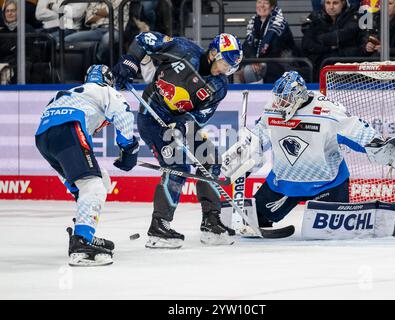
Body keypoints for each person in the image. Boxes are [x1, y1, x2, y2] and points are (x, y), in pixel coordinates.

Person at [222, 71, 395, 228]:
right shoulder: (273, 109)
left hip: (328, 184)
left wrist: (382, 148)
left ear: (299, 96)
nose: (280, 104)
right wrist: (247, 151)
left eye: (285, 99)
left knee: (332, 234)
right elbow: (260, 136)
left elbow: (357, 130)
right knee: (255, 220)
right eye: (278, 98)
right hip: (284, 183)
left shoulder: (327, 111)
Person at [112, 32, 243, 249]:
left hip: (181, 122)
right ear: (212, 53)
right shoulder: (182, 49)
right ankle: (159, 226)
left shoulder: (219, 86)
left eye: (230, 68)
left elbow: (201, 115)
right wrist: (130, 62)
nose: (226, 71)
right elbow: (144, 38)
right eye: (224, 64)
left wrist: (182, 124)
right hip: (152, 118)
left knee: (210, 159)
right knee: (176, 166)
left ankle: (211, 222)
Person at [34, 65, 139, 266]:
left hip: (44, 139)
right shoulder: (106, 91)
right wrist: (129, 152)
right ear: (109, 80)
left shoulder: (73, 92)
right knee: (93, 185)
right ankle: (81, 242)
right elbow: (124, 118)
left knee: (96, 182)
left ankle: (84, 233)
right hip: (68, 128)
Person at [235, 0, 297, 84]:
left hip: (281, 64)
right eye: (259, 2)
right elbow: (246, 46)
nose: (262, 6)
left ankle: (256, 96)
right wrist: (254, 60)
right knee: (235, 71)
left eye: (266, 3)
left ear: (272, 7)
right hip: (262, 62)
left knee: (249, 70)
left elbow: (275, 50)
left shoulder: (280, 25)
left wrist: (257, 62)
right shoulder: (254, 22)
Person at [301, 0, 361, 81]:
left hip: (346, 72)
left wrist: (319, 39)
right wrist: (329, 48)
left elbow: (346, 36)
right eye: (328, 3)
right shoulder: (316, 17)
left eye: (335, 3)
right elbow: (306, 44)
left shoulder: (353, 17)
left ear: (343, 3)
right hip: (318, 70)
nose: (331, 7)